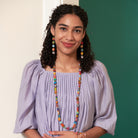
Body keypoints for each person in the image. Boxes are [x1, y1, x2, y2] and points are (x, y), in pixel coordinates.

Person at [14, 4, 117, 138]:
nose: (69, 37)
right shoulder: (34, 72)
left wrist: (81, 136)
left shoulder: (96, 71)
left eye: (77, 30)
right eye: (63, 28)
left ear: (83, 34)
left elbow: (106, 120)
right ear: (52, 29)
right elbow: (25, 123)